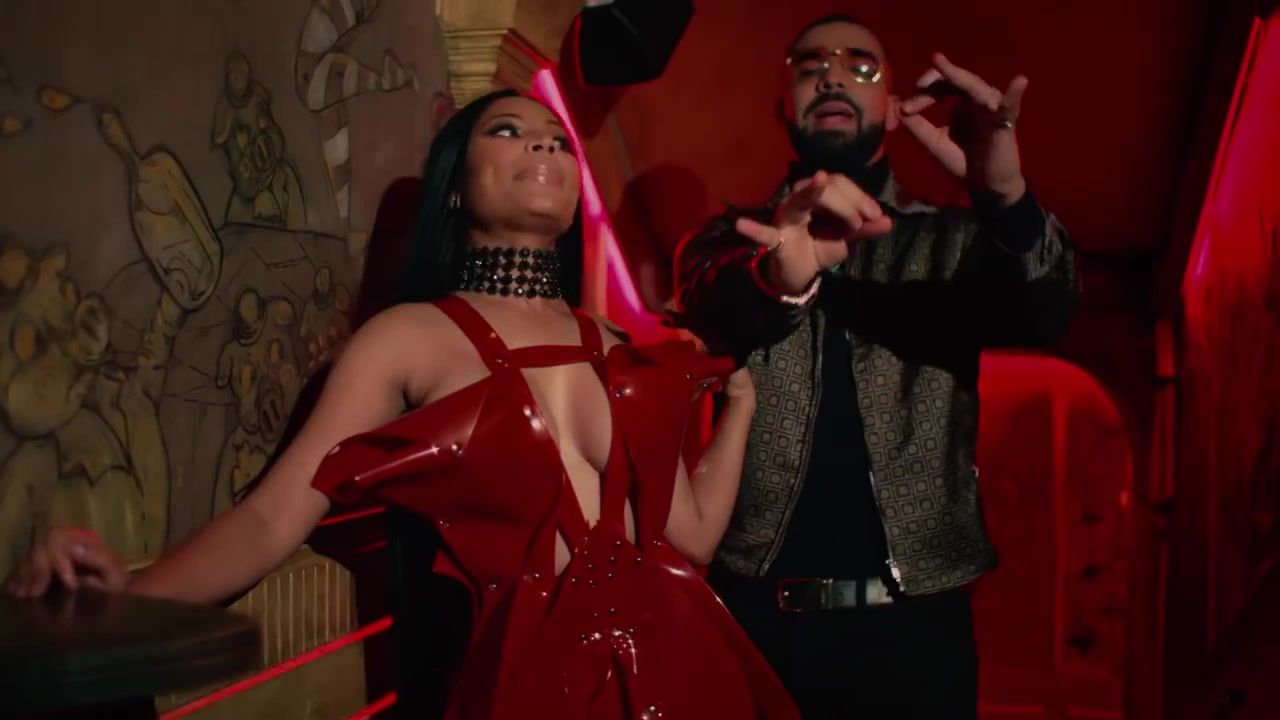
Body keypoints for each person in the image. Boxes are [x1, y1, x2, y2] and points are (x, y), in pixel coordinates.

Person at [7, 90, 800, 720]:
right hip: (525, 688)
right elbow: (270, 520)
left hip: (681, 667)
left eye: (558, 140)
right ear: (453, 187)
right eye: (509, 132)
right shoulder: (407, 339)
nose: (545, 148)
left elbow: (690, 538)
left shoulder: (618, 344)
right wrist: (119, 605)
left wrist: (740, 407)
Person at [668, 14, 1079, 719]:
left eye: (860, 67)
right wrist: (778, 275)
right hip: (755, 622)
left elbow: (1048, 310)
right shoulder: (731, 239)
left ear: (893, 108)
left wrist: (1005, 196)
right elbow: (710, 304)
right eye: (811, 66)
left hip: (916, 636)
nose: (832, 75)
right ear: (782, 105)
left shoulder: (953, 240)